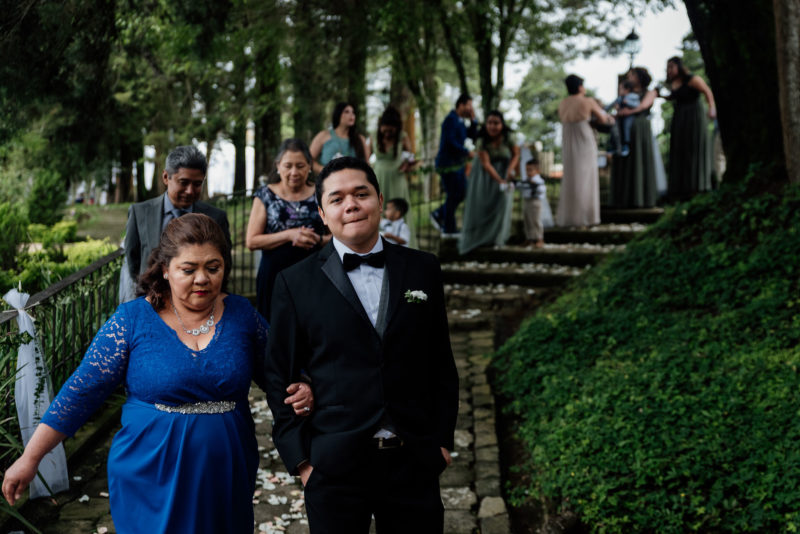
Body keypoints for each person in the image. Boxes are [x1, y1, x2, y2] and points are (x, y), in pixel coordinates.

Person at [2, 214, 314, 533]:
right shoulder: (132, 320)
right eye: (188, 269)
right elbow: (80, 393)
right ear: (165, 269)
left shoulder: (242, 316)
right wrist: (31, 458)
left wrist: (301, 386)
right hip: (151, 471)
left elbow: (281, 373)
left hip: (224, 471)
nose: (203, 278)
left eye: (213, 267)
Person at [264, 157, 459, 533]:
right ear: (322, 213)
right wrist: (302, 461)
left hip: (413, 460)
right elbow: (279, 375)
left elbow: (440, 361)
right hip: (333, 466)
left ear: (381, 200)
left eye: (361, 194)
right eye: (336, 199)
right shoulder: (294, 283)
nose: (350, 205)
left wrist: (442, 441)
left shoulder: (423, 269)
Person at [246, 139, 328, 319]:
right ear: (278, 166)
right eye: (288, 165)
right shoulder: (265, 195)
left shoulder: (322, 193)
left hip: (315, 273)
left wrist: (320, 240)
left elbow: (339, 234)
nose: (294, 172)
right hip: (274, 275)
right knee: (273, 329)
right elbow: (252, 241)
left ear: (309, 166)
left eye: (300, 166)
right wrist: (290, 235)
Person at [123, 146, 230, 284]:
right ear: (166, 177)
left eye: (197, 184)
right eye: (184, 183)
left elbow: (224, 264)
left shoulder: (216, 218)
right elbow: (133, 261)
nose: (190, 191)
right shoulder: (140, 213)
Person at [458, 110, 520, 254]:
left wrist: (510, 172)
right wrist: (500, 180)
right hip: (484, 176)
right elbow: (486, 164)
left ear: (502, 124)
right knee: (482, 204)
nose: (492, 126)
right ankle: (481, 238)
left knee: (503, 204)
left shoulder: (508, 137)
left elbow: (516, 154)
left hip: (505, 170)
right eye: (490, 123)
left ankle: (498, 238)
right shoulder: (481, 140)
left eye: (496, 123)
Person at [557, 75, 614, 227]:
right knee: (586, 177)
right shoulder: (587, 101)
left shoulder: (563, 103)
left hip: (567, 139)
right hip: (583, 138)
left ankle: (569, 217)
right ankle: (586, 217)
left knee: (571, 177)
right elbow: (603, 119)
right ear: (580, 87)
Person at [664, 55, 716, 200]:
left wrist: (711, 108)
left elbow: (707, 92)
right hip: (680, 118)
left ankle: (698, 185)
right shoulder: (673, 83)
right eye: (667, 67)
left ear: (678, 66)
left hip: (694, 117)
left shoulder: (692, 79)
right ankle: (681, 188)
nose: (669, 70)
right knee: (680, 149)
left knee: (694, 148)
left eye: (671, 67)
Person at [610, 67, 662, 208]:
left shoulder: (649, 92)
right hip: (624, 128)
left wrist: (628, 112)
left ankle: (642, 199)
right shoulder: (627, 93)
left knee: (640, 160)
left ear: (639, 77)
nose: (629, 78)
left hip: (640, 129)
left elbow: (644, 105)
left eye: (631, 75)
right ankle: (623, 200)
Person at [431, 94, 479, 235]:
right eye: (469, 105)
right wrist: (466, 152)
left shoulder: (461, 121)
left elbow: (472, 136)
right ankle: (449, 229)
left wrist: (473, 120)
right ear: (460, 105)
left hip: (458, 165)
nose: (471, 108)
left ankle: (439, 214)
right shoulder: (450, 120)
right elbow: (450, 142)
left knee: (462, 192)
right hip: (447, 164)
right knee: (453, 194)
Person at [372, 106, 417, 248]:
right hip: (378, 177)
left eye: (390, 131)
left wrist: (408, 166)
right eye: (384, 130)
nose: (387, 133)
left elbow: (410, 159)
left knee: (398, 209)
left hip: (397, 179)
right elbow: (366, 158)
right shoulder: (373, 135)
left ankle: (403, 245)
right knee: (379, 208)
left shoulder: (402, 137)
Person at [309, 102, 370, 174]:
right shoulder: (323, 136)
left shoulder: (360, 139)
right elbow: (309, 159)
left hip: (353, 182)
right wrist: (324, 171)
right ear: (338, 114)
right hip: (328, 182)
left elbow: (367, 165)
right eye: (347, 112)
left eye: (353, 112)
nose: (352, 115)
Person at [517, 158, 546, 248]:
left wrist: (534, 185)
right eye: (527, 170)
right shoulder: (526, 180)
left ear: (537, 170)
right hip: (527, 201)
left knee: (535, 221)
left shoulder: (539, 181)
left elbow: (542, 190)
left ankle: (539, 239)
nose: (528, 172)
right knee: (527, 220)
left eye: (530, 170)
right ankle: (529, 238)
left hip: (535, 202)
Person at [611, 80, 641, 157]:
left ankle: (626, 145)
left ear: (626, 90)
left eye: (621, 89)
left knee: (626, 128)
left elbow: (637, 105)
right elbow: (611, 104)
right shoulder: (620, 98)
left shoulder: (633, 96)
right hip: (620, 118)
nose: (619, 91)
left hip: (628, 118)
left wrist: (627, 102)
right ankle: (616, 146)